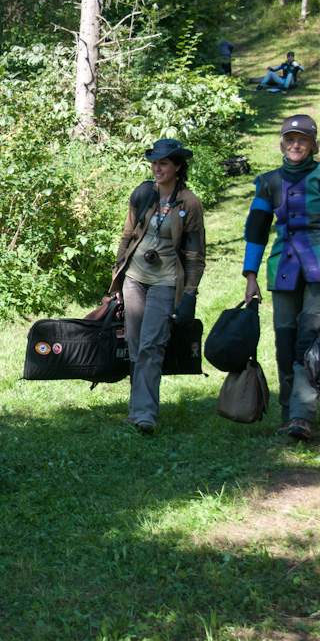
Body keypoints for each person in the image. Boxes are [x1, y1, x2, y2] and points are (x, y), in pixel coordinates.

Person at [243, 114, 320, 440]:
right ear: (282, 143)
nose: (296, 144)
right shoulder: (268, 182)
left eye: (303, 139)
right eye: (290, 139)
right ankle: (287, 413)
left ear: (313, 144)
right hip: (283, 271)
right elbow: (256, 230)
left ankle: (301, 416)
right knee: (284, 343)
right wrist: (250, 274)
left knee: (309, 343)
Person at [109, 139, 207, 435]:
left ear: (178, 166)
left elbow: (195, 255)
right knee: (136, 345)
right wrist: (117, 277)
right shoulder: (143, 194)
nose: (157, 168)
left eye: (163, 163)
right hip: (135, 278)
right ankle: (137, 409)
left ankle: (144, 414)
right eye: (154, 163)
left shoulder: (189, 203)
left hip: (166, 282)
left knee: (152, 344)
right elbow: (127, 236)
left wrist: (189, 293)